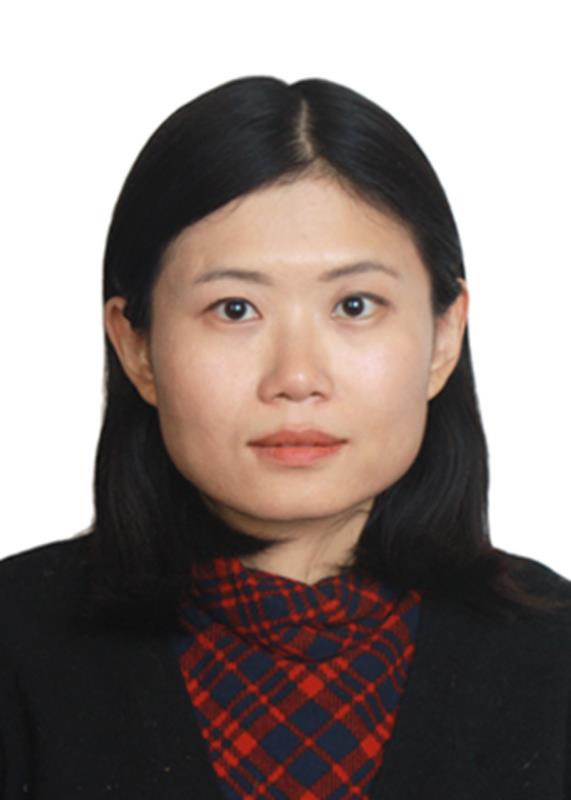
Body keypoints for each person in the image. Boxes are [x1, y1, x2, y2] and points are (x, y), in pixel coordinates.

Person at [1, 75, 570, 800]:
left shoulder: (554, 654)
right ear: (136, 346)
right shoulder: (16, 644)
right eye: (234, 309)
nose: (296, 378)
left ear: (443, 336)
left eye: (355, 305)